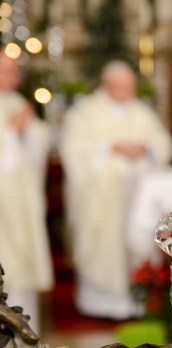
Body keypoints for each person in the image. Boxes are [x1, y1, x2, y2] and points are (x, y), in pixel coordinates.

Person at [59, 61, 172, 319]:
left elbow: (162, 142)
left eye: (129, 87)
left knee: (136, 240)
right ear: (107, 85)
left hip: (136, 193)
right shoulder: (86, 111)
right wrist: (109, 148)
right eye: (120, 87)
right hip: (102, 195)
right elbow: (73, 149)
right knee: (104, 247)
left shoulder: (141, 112)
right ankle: (99, 302)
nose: (126, 92)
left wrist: (146, 149)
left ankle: (136, 301)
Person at [0, 50, 52, 333]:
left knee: (22, 259)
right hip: (3, 199)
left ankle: (25, 327)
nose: (12, 77)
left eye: (14, 71)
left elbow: (39, 142)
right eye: (5, 71)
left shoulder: (17, 101)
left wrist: (27, 132)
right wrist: (10, 132)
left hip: (22, 196)